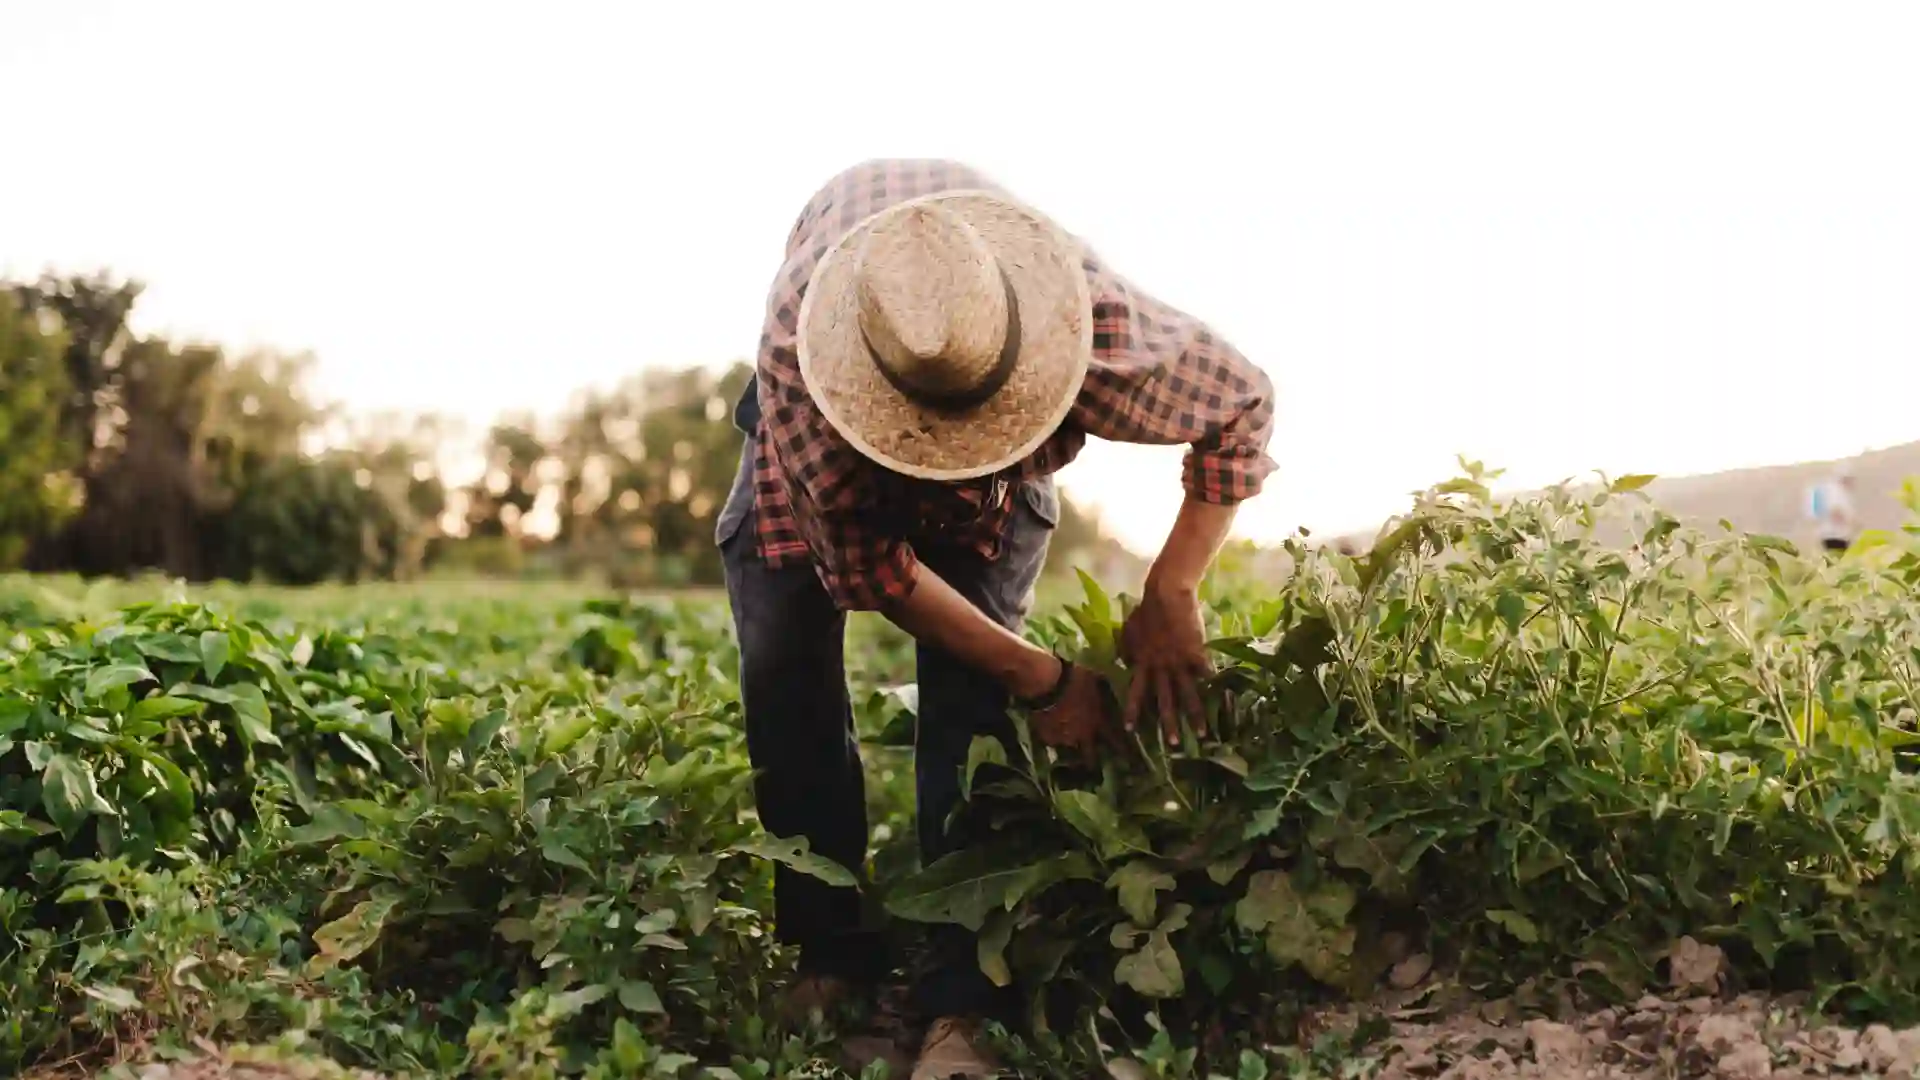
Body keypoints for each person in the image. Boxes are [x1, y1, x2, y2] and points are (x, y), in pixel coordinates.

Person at [713, 159, 1277, 1078]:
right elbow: (872, 572)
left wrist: (1172, 590)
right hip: (818, 442)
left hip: (1009, 363)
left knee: (973, 711)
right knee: (785, 675)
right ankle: (829, 952)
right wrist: (1047, 676)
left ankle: (962, 1001)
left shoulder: (1084, 320)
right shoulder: (804, 369)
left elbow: (1241, 405)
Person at [1808, 466, 1858, 554]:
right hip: (1836, 535)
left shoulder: (1836, 491)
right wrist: (1849, 522)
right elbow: (1835, 511)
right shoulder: (1837, 492)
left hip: (1831, 534)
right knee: (1838, 560)